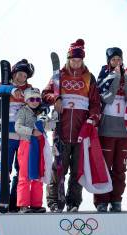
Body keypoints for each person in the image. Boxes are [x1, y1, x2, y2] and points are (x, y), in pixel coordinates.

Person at [43, 39, 101, 212]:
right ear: (68, 59)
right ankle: (54, 201)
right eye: (73, 60)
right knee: (59, 168)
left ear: (82, 60)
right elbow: (45, 94)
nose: (76, 63)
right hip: (62, 130)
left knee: (78, 169)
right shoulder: (59, 76)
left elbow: (95, 104)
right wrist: (56, 98)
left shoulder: (89, 78)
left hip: (81, 132)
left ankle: (73, 202)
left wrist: (92, 120)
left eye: (79, 60)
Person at [93, 47, 127, 212]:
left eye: (119, 59)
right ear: (108, 61)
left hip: (124, 130)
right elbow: (107, 99)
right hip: (107, 129)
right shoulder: (104, 76)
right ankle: (102, 200)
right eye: (114, 59)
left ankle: (116, 200)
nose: (117, 62)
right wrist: (116, 78)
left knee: (120, 168)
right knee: (104, 167)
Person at [0, 59, 34, 212]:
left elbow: (38, 101)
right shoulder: (2, 87)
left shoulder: (29, 89)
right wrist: (11, 90)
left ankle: (15, 201)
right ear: (13, 73)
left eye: (25, 75)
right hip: (6, 134)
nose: (22, 77)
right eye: (19, 74)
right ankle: (1, 201)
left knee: (22, 171)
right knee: (3, 170)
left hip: (23, 136)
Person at [13, 88, 56, 213]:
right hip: (27, 144)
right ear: (26, 100)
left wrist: (53, 120)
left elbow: (48, 127)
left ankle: (36, 204)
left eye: (37, 99)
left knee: (39, 174)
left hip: (40, 144)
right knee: (25, 175)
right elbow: (18, 127)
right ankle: (23, 204)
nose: (35, 101)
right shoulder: (23, 111)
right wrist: (32, 131)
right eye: (32, 99)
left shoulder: (41, 112)